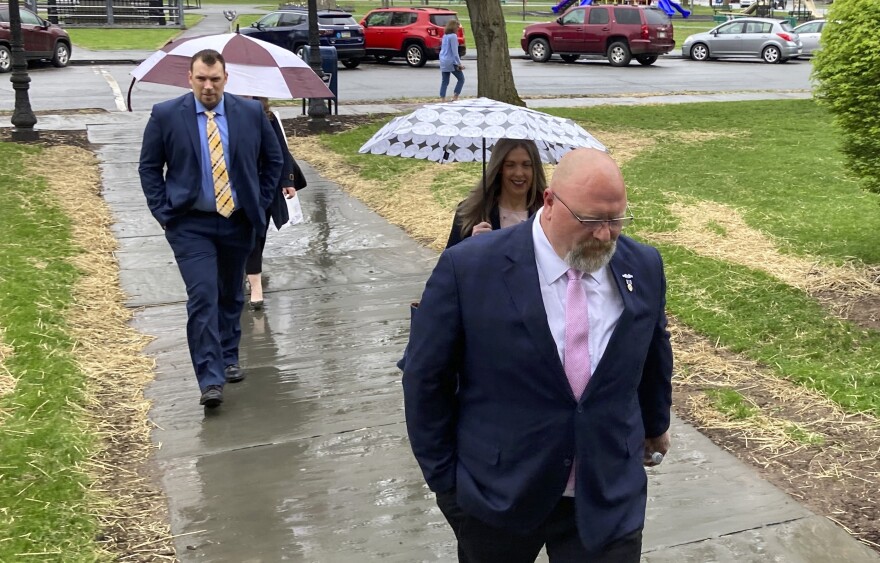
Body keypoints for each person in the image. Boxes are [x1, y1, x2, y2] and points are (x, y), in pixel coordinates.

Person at [402, 148, 673, 562]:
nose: (605, 235)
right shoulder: (470, 268)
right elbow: (425, 378)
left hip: (606, 497)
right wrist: (448, 485)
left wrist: (655, 426)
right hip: (500, 497)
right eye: (590, 220)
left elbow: (652, 354)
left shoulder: (644, 265)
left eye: (616, 219)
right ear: (548, 202)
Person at [138, 49, 283, 409]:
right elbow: (149, 167)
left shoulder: (249, 113)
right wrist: (164, 213)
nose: (208, 86)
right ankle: (210, 378)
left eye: (214, 79)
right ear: (189, 78)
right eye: (201, 79)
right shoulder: (166, 115)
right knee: (203, 296)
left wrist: (260, 205)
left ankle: (229, 355)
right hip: (190, 224)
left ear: (225, 79)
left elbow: (273, 159)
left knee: (231, 293)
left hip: (238, 221)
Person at [245, 96, 308, 311]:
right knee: (238, 236)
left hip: (263, 186)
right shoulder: (219, 115)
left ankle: (255, 286)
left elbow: (280, 151)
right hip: (231, 187)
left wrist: (287, 180)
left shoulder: (267, 117)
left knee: (257, 235)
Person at [446, 139, 547, 249]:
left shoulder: (547, 214)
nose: (519, 173)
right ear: (499, 168)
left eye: (526, 165)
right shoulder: (470, 214)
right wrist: (471, 246)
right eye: (510, 165)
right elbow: (449, 263)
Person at [439, 19, 465, 102]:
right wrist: (459, 64)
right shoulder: (453, 36)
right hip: (451, 61)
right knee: (461, 79)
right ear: (454, 27)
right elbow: (455, 52)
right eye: (457, 27)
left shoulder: (445, 36)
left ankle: (442, 99)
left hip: (443, 60)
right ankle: (455, 97)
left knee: (445, 81)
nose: (458, 29)